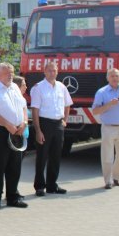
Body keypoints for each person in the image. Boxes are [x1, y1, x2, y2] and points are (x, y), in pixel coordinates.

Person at [0, 63, 28, 210]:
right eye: (7, 73)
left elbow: (23, 106)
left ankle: (12, 197)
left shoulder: (15, 87)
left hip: (17, 130)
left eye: (12, 73)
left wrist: (24, 122)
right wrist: (7, 124)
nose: (11, 76)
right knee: (0, 165)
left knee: (15, 165)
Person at [30, 61, 73, 197]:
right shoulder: (39, 88)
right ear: (44, 71)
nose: (52, 73)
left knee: (56, 156)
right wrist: (38, 130)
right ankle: (39, 186)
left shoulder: (61, 87)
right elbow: (35, 110)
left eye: (54, 70)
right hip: (44, 124)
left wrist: (65, 120)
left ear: (57, 72)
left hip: (58, 124)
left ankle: (52, 185)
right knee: (42, 156)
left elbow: (67, 104)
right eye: (49, 70)